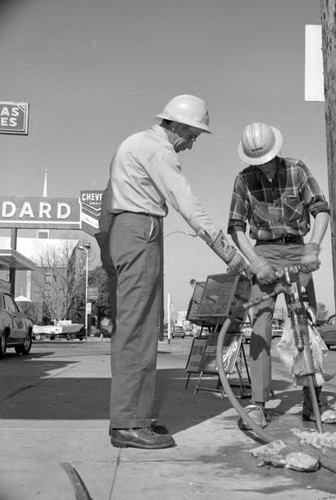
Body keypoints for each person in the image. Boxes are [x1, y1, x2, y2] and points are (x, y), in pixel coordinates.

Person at [96, 94, 245, 450]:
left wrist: (106, 250)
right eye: (192, 135)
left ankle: (132, 416)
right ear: (176, 124)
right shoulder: (158, 150)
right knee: (140, 331)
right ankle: (129, 423)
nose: (192, 145)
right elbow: (186, 203)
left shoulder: (132, 145)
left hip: (121, 233)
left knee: (129, 327)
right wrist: (228, 252)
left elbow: (105, 200)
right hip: (140, 233)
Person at [227, 121, 336, 428]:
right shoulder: (244, 179)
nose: (261, 167)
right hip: (263, 252)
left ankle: (313, 401)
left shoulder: (297, 170)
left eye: (265, 160)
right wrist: (255, 263)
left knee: (304, 324)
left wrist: (313, 248)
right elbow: (236, 227)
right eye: (256, 162)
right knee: (261, 326)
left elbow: (321, 209)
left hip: (297, 249)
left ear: (276, 152)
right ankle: (258, 403)